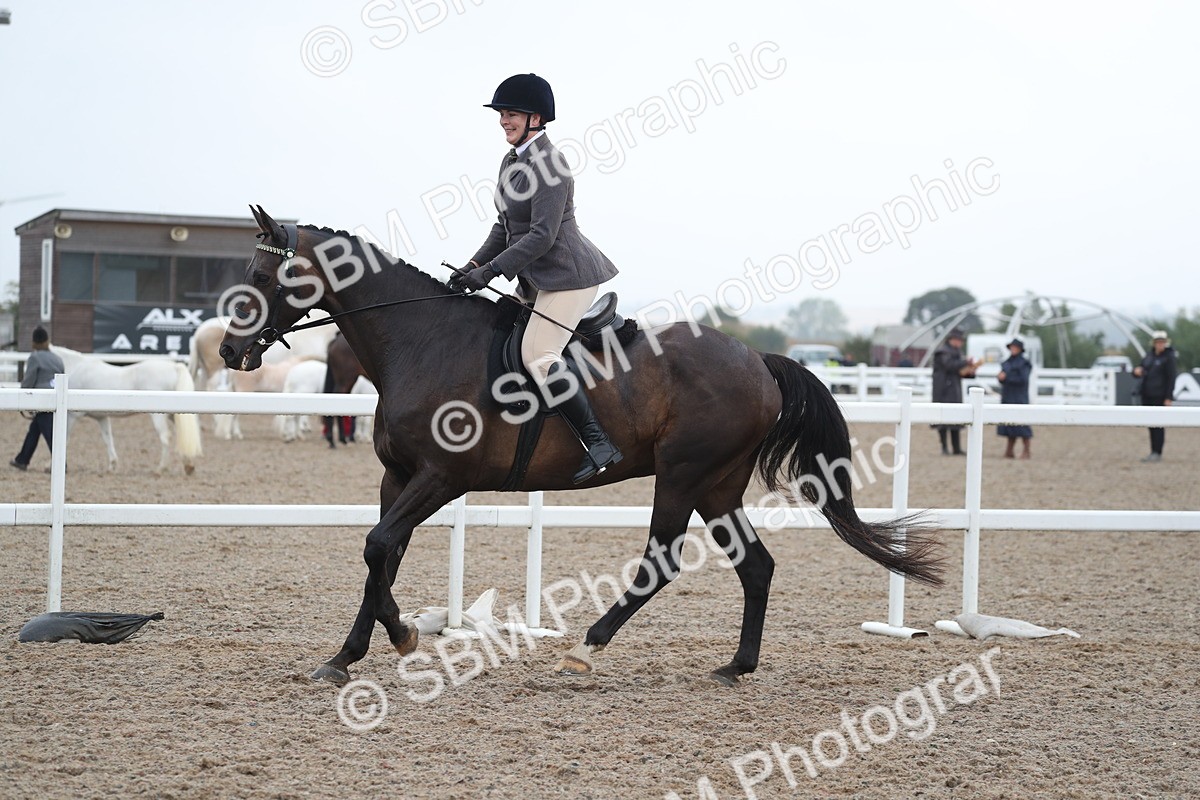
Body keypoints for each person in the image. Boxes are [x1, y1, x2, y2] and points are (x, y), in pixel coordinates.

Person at [450, 73, 622, 484]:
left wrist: (492, 271)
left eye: (510, 114)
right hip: (537, 278)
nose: (503, 121)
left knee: (538, 356)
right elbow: (503, 226)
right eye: (502, 114)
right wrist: (472, 266)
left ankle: (599, 443)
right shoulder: (512, 161)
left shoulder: (551, 165)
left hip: (568, 277)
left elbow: (541, 236)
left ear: (535, 118)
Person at [10, 326, 66, 471]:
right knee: (34, 430)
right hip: (56, 398)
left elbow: (29, 380)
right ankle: (22, 459)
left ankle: (61, 463)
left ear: (34, 342)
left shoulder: (34, 358)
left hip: (42, 401)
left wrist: (23, 398)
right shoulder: (58, 359)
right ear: (47, 341)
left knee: (49, 434)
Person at [931, 328, 979, 455]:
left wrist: (970, 371)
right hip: (943, 390)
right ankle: (945, 447)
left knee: (956, 419)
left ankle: (956, 448)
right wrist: (965, 363)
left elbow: (958, 371)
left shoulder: (956, 353)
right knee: (943, 420)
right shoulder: (942, 352)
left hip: (954, 389)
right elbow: (949, 366)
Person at [1133, 330, 1176, 462]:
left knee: (1158, 425)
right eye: (1158, 342)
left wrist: (1168, 397)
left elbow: (1171, 378)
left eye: (1162, 342)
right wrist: (1136, 372)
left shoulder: (1168, 358)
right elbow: (1140, 370)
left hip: (1160, 396)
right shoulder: (1149, 356)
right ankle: (1153, 451)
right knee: (1151, 424)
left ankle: (1157, 451)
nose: (1160, 344)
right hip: (1147, 395)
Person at [996, 338, 1033, 459]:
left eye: (1015, 347)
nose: (1013, 349)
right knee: (1009, 423)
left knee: (1022, 424)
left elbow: (1023, 379)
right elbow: (1003, 378)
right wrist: (1001, 378)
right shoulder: (1007, 362)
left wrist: (1006, 378)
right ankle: (1009, 450)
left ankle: (1026, 450)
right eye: (1012, 347)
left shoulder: (1024, 364)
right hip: (1008, 395)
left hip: (1019, 397)